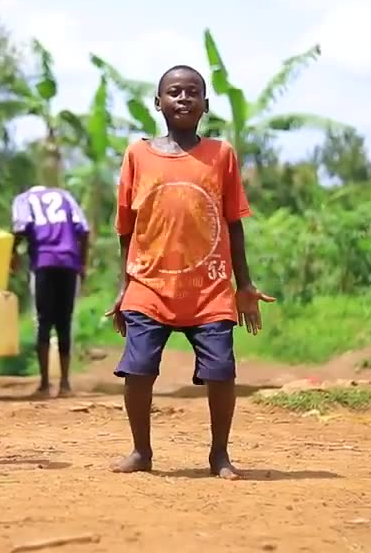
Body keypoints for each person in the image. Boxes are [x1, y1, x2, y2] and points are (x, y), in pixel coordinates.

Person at [108, 65, 272, 480]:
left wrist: (245, 284)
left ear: (206, 104)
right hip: (149, 285)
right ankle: (141, 451)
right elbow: (126, 229)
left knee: (221, 372)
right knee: (138, 370)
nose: (183, 99)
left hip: (210, 288)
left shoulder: (222, 155)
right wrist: (124, 286)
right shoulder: (137, 155)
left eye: (193, 92)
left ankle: (219, 455)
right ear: (158, 103)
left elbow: (233, 223)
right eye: (175, 92)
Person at [11, 184, 89, 397]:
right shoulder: (65, 196)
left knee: (43, 321)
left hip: (43, 261)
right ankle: (64, 384)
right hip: (69, 262)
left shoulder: (24, 198)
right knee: (65, 321)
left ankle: (45, 384)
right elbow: (84, 229)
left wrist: (12, 254)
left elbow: (20, 227)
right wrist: (83, 264)